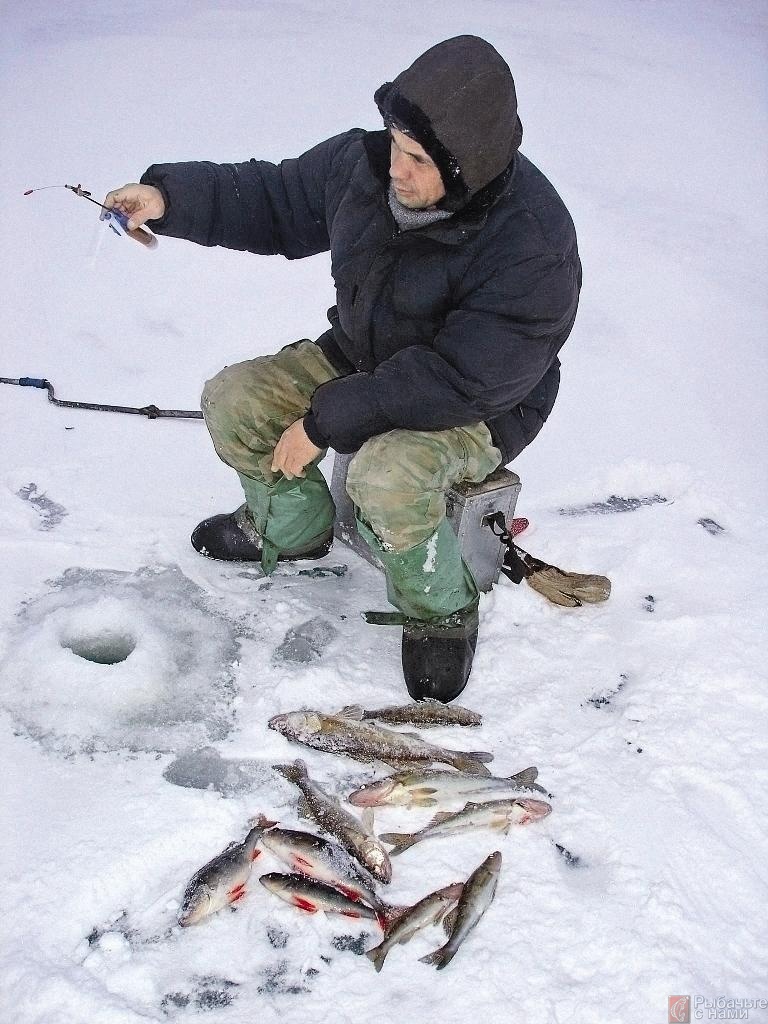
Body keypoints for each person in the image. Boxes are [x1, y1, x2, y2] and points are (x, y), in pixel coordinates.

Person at [105, 34, 581, 704]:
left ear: (467, 165)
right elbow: (272, 199)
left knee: (386, 478)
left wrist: (325, 419)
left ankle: (441, 607)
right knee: (234, 398)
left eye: (417, 158)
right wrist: (166, 198)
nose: (396, 167)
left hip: (482, 403)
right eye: (395, 142)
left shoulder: (532, 243)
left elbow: (458, 378)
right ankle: (293, 530)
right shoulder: (363, 168)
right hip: (364, 355)